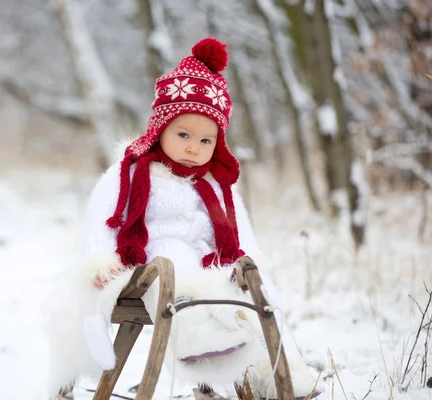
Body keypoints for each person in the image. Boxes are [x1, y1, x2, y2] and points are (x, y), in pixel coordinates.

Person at [46, 37, 317, 399]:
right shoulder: (132, 171)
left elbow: (242, 237)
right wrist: (101, 259)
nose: (193, 147)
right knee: (174, 256)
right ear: (160, 128)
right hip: (147, 270)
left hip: (212, 266)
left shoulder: (218, 186)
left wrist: (250, 267)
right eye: (184, 134)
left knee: (259, 290)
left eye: (206, 141)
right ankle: (201, 339)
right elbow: (102, 217)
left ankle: (277, 370)